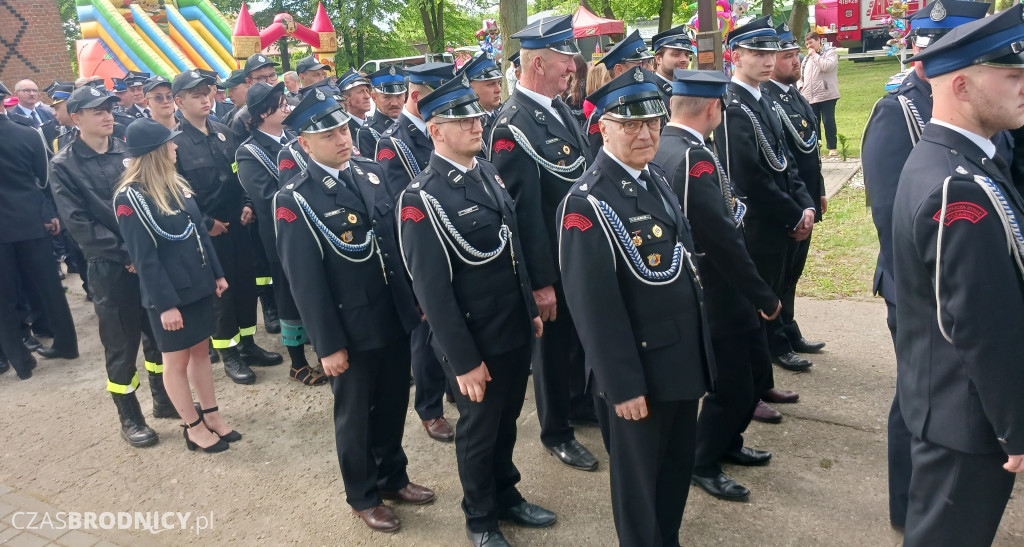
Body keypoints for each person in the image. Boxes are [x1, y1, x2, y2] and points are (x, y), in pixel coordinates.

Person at [398, 73, 555, 547]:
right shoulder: (421, 200)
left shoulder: (485, 171)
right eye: (461, 119)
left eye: (476, 116)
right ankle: (481, 519)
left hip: (510, 325)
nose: (474, 125)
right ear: (436, 131)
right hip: (473, 337)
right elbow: (433, 292)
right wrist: (463, 361)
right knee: (480, 430)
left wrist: (528, 306)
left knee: (506, 419)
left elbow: (514, 252)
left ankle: (506, 494)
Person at [559, 66, 713, 546]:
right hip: (639, 371)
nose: (645, 133)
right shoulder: (587, 204)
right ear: (602, 127)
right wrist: (622, 385)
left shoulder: (654, 177)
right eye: (630, 124)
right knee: (638, 489)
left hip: (680, 361)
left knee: (673, 473)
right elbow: (593, 308)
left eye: (652, 122)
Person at [892, 5, 1024, 544]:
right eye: (1013, 76)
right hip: (966, 418)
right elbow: (976, 322)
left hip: (959, 409)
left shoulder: (963, 160)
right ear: (963, 86)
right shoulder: (957, 185)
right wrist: (1016, 426)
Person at [275, 88, 434, 532]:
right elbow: (304, 281)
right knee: (354, 414)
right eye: (328, 134)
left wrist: (414, 302)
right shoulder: (296, 199)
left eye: (343, 128)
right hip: (349, 325)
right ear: (305, 143)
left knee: (391, 403)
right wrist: (327, 345)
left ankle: (392, 476)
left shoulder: (369, 171)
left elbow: (392, 246)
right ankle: (362, 494)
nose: (342, 138)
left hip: (391, 314)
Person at [860, 0, 991, 530]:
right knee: (920, 396)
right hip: (919, 288)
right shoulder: (900, 111)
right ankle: (907, 503)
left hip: (963, 277)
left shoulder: (979, 104)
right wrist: (922, 294)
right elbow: (890, 214)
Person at [653, 69, 781, 502]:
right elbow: (719, 236)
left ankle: (727, 444)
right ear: (713, 108)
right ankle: (703, 460)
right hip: (718, 291)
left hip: (705, 286)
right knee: (734, 386)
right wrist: (761, 294)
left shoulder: (666, 146)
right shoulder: (695, 157)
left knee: (744, 375)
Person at [488, 15, 599, 472]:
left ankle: (576, 403)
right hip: (551, 262)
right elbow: (522, 214)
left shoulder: (556, 109)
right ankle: (556, 430)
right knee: (553, 349)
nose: (572, 69)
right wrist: (540, 282)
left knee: (576, 340)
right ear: (536, 62)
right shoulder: (512, 125)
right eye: (563, 61)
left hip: (576, 254)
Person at [51, 86, 180, 448]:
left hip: (146, 262)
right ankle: (129, 415)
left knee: (158, 337)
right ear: (76, 119)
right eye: (96, 111)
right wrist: (128, 255)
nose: (108, 115)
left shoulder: (126, 150)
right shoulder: (64, 165)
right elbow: (79, 225)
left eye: (108, 108)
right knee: (121, 346)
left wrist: (149, 251)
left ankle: (163, 399)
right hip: (111, 267)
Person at [114, 119, 236, 453]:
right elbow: (144, 257)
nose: (176, 147)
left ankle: (211, 415)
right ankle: (193, 427)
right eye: (170, 143)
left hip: (196, 284)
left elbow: (198, 231)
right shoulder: (131, 198)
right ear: (154, 152)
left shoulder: (175, 184)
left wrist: (216, 274)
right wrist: (165, 304)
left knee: (200, 352)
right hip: (169, 293)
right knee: (175, 362)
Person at [714, 16, 812, 424]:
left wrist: (804, 203)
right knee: (752, 311)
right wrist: (792, 213)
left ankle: (763, 379)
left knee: (769, 304)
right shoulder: (733, 107)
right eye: (757, 53)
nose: (768, 61)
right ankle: (749, 392)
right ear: (735, 57)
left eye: (771, 53)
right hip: (756, 225)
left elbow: (786, 162)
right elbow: (749, 176)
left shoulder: (763, 99)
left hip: (780, 221)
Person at [171, 70, 282, 385]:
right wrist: (206, 224)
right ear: (179, 102)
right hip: (207, 233)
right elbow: (176, 193)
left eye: (207, 93)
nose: (205, 99)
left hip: (238, 224)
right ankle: (229, 352)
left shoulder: (224, 132)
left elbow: (240, 173)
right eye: (196, 95)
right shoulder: (176, 143)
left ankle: (247, 344)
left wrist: (248, 203)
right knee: (221, 296)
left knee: (245, 287)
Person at [375, 62, 458, 443]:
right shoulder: (394, 142)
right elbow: (397, 209)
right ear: (417, 96)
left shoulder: (441, 128)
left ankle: (455, 384)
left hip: (457, 242)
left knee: (454, 321)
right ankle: (430, 408)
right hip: (420, 248)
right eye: (437, 98)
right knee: (425, 333)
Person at [234, 82, 324, 386]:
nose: (287, 107)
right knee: (289, 296)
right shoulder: (248, 152)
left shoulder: (293, 139)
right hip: (281, 235)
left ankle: (325, 352)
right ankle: (297, 363)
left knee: (316, 290)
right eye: (280, 104)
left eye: (285, 102)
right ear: (262, 113)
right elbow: (266, 197)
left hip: (313, 228)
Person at [0, 81, 78, 380]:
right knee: (49, 287)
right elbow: (43, 179)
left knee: (4, 297)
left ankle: (21, 362)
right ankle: (67, 344)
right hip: (30, 220)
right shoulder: (27, 133)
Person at [761, 23, 827, 368]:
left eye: (795, 55)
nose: (795, 62)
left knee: (794, 274)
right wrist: (794, 209)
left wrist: (819, 193)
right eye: (788, 57)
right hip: (788, 204)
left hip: (806, 199)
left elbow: (810, 150)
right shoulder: (767, 100)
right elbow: (779, 162)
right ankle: (778, 341)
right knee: (779, 275)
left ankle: (790, 327)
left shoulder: (792, 94)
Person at [800, 31, 839, 156]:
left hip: (826, 94)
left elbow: (827, 66)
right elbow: (800, 75)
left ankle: (832, 147)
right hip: (810, 96)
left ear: (819, 41)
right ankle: (816, 147)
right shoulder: (806, 59)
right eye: (806, 44)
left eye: (811, 43)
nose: (809, 46)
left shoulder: (830, 53)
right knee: (813, 122)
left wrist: (814, 55)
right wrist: (801, 87)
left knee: (828, 121)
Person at [359, 65, 406, 157]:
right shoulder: (368, 132)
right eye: (387, 97)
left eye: (399, 96)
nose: (394, 103)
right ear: (374, 97)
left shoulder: (410, 123)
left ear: (405, 95)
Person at [650, 25, 696, 103]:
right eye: (676, 54)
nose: (684, 60)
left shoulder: (692, 88)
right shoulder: (650, 90)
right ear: (658, 59)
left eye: (687, 55)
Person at [337, 68, 375, 158]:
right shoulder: (344, 129)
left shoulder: (374, 123)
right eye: (361, 92)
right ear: (346, 100)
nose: (367, 96)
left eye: (367, 91)